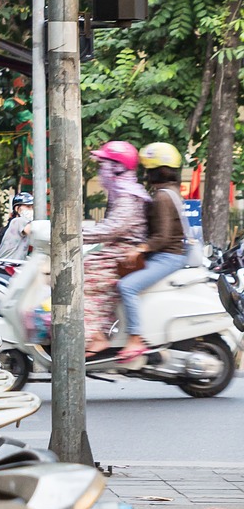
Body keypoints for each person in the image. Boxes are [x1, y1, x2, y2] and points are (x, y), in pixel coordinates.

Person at [115, 143, 190, 362]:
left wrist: (140, 249)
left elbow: (163, 237)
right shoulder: (170, 192)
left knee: (126, 286)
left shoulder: (162, 198)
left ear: (153, 171)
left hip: (169, 256)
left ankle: (136, 338)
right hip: (167, 254)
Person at [82, 141, 149, 357]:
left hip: (123, 251)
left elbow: (115, 227)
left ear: (117, 167)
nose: (100, 169)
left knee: (84, 277)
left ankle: (97, 336)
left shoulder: (128, 195)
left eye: (104, 164)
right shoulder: (121, 191)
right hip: (117, 248)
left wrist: (76, 236)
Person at [0, 192, 35, 260]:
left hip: (11, 266)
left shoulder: (19, 223)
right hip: (5, 267)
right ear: (17, 209)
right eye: (28, 206)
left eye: (32, 207)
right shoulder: (18, 221)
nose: (31, 210)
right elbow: (36, 231)